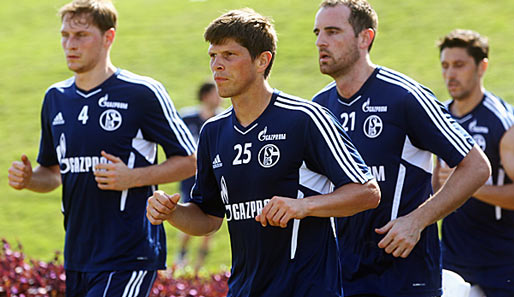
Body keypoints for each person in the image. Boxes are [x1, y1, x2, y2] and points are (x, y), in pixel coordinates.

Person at [146, 8, 381, 297]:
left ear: (262, 61)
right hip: (243, 290)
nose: (217, 65)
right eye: (213, 56)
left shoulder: (305, 119)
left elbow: (367, 192)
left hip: (307, 290)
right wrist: (173, 213)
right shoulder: (213, 132)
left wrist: (304, 206)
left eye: (229, 55)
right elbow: (208, 218)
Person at [7, 0, 196, 296]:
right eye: (65, 35)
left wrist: (132, 177)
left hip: (129, 254)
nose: (70, 44)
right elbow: (53, 173)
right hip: (78, 256)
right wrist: (30, 179)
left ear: (109, 37)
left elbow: (191, 159)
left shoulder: (142, 92)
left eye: (81, 36)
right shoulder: (55, 97)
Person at [312, 1, 491, 296]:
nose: (320, 41)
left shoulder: (405, 97)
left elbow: (477, 167)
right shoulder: (318, 108)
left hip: (405, 277)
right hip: (342, 276)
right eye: (318, 32)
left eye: (333, 31)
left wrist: (416, 221)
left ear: (364, 38)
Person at [434, 29, 514, 297]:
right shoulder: (440, 119)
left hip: (502, 261)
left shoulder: (503, 124)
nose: (450, 74)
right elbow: (435, 184)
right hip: (454, 256)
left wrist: (468, 183)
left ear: (482, 67)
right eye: (445, 66)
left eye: (459, 65)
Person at [175, 82, 223, 272]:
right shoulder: (188, 118)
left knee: (211, 224)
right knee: (188, 216)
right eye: (214, 94)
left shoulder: (224, 119)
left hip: (215, 178)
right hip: (191, 178)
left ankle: (198, 267)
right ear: (204, 96)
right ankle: (182, 256)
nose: (218, 97)